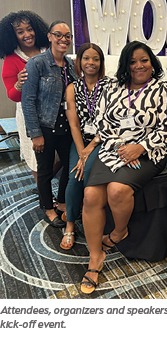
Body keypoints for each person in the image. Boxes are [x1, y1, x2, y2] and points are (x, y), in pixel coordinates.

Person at [80, 41, 167, 294]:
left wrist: (141, 146)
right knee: (90, 195)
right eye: (133, 61)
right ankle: (95, 257)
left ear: (152, 62)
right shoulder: (113, 88)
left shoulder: (163, 89)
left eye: (144, 60)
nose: (138, 66)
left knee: (117, 190)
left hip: (150, 151)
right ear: (125, 64)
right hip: (114, 149)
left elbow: (166, 128)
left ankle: (119, 232)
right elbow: (101, 123)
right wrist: (123, 146)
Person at [21, 21, 76, 228]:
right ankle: (48, 208)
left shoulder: (71, 65)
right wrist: (35, 133)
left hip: (67, 126)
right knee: (44, 169)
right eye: (59, 35)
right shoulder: (37, 63)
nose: (64, 39)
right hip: (45, 125)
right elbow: (28, 100)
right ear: (50, 36)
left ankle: (61, 202)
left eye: (68, 36)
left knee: (69, 166)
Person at [61, 43, 109, 249]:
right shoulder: (72, 88)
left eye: (96, 59)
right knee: (74, 176)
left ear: (101, 63)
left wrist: (89, 150)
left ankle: (88, 215)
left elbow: (112, 121)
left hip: (104, 139)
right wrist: (81, 151)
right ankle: (70, 224)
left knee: (87, 172)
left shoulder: (111, 85)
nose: (91, 63)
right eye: (86, 58)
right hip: (80, 140)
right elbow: (74, 123)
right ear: (79, 62)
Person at [0, 11, 49, 186]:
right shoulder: (11, 60)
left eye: (29, 29)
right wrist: (19, 84)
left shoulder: (49, 50)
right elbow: (13, 96)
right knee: (35, 155)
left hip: (54, 112)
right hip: (30, 116)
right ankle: (44, 195)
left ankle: (52, 185)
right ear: (13, 36)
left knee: (58, 153)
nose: (27, 34)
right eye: (20, 32)